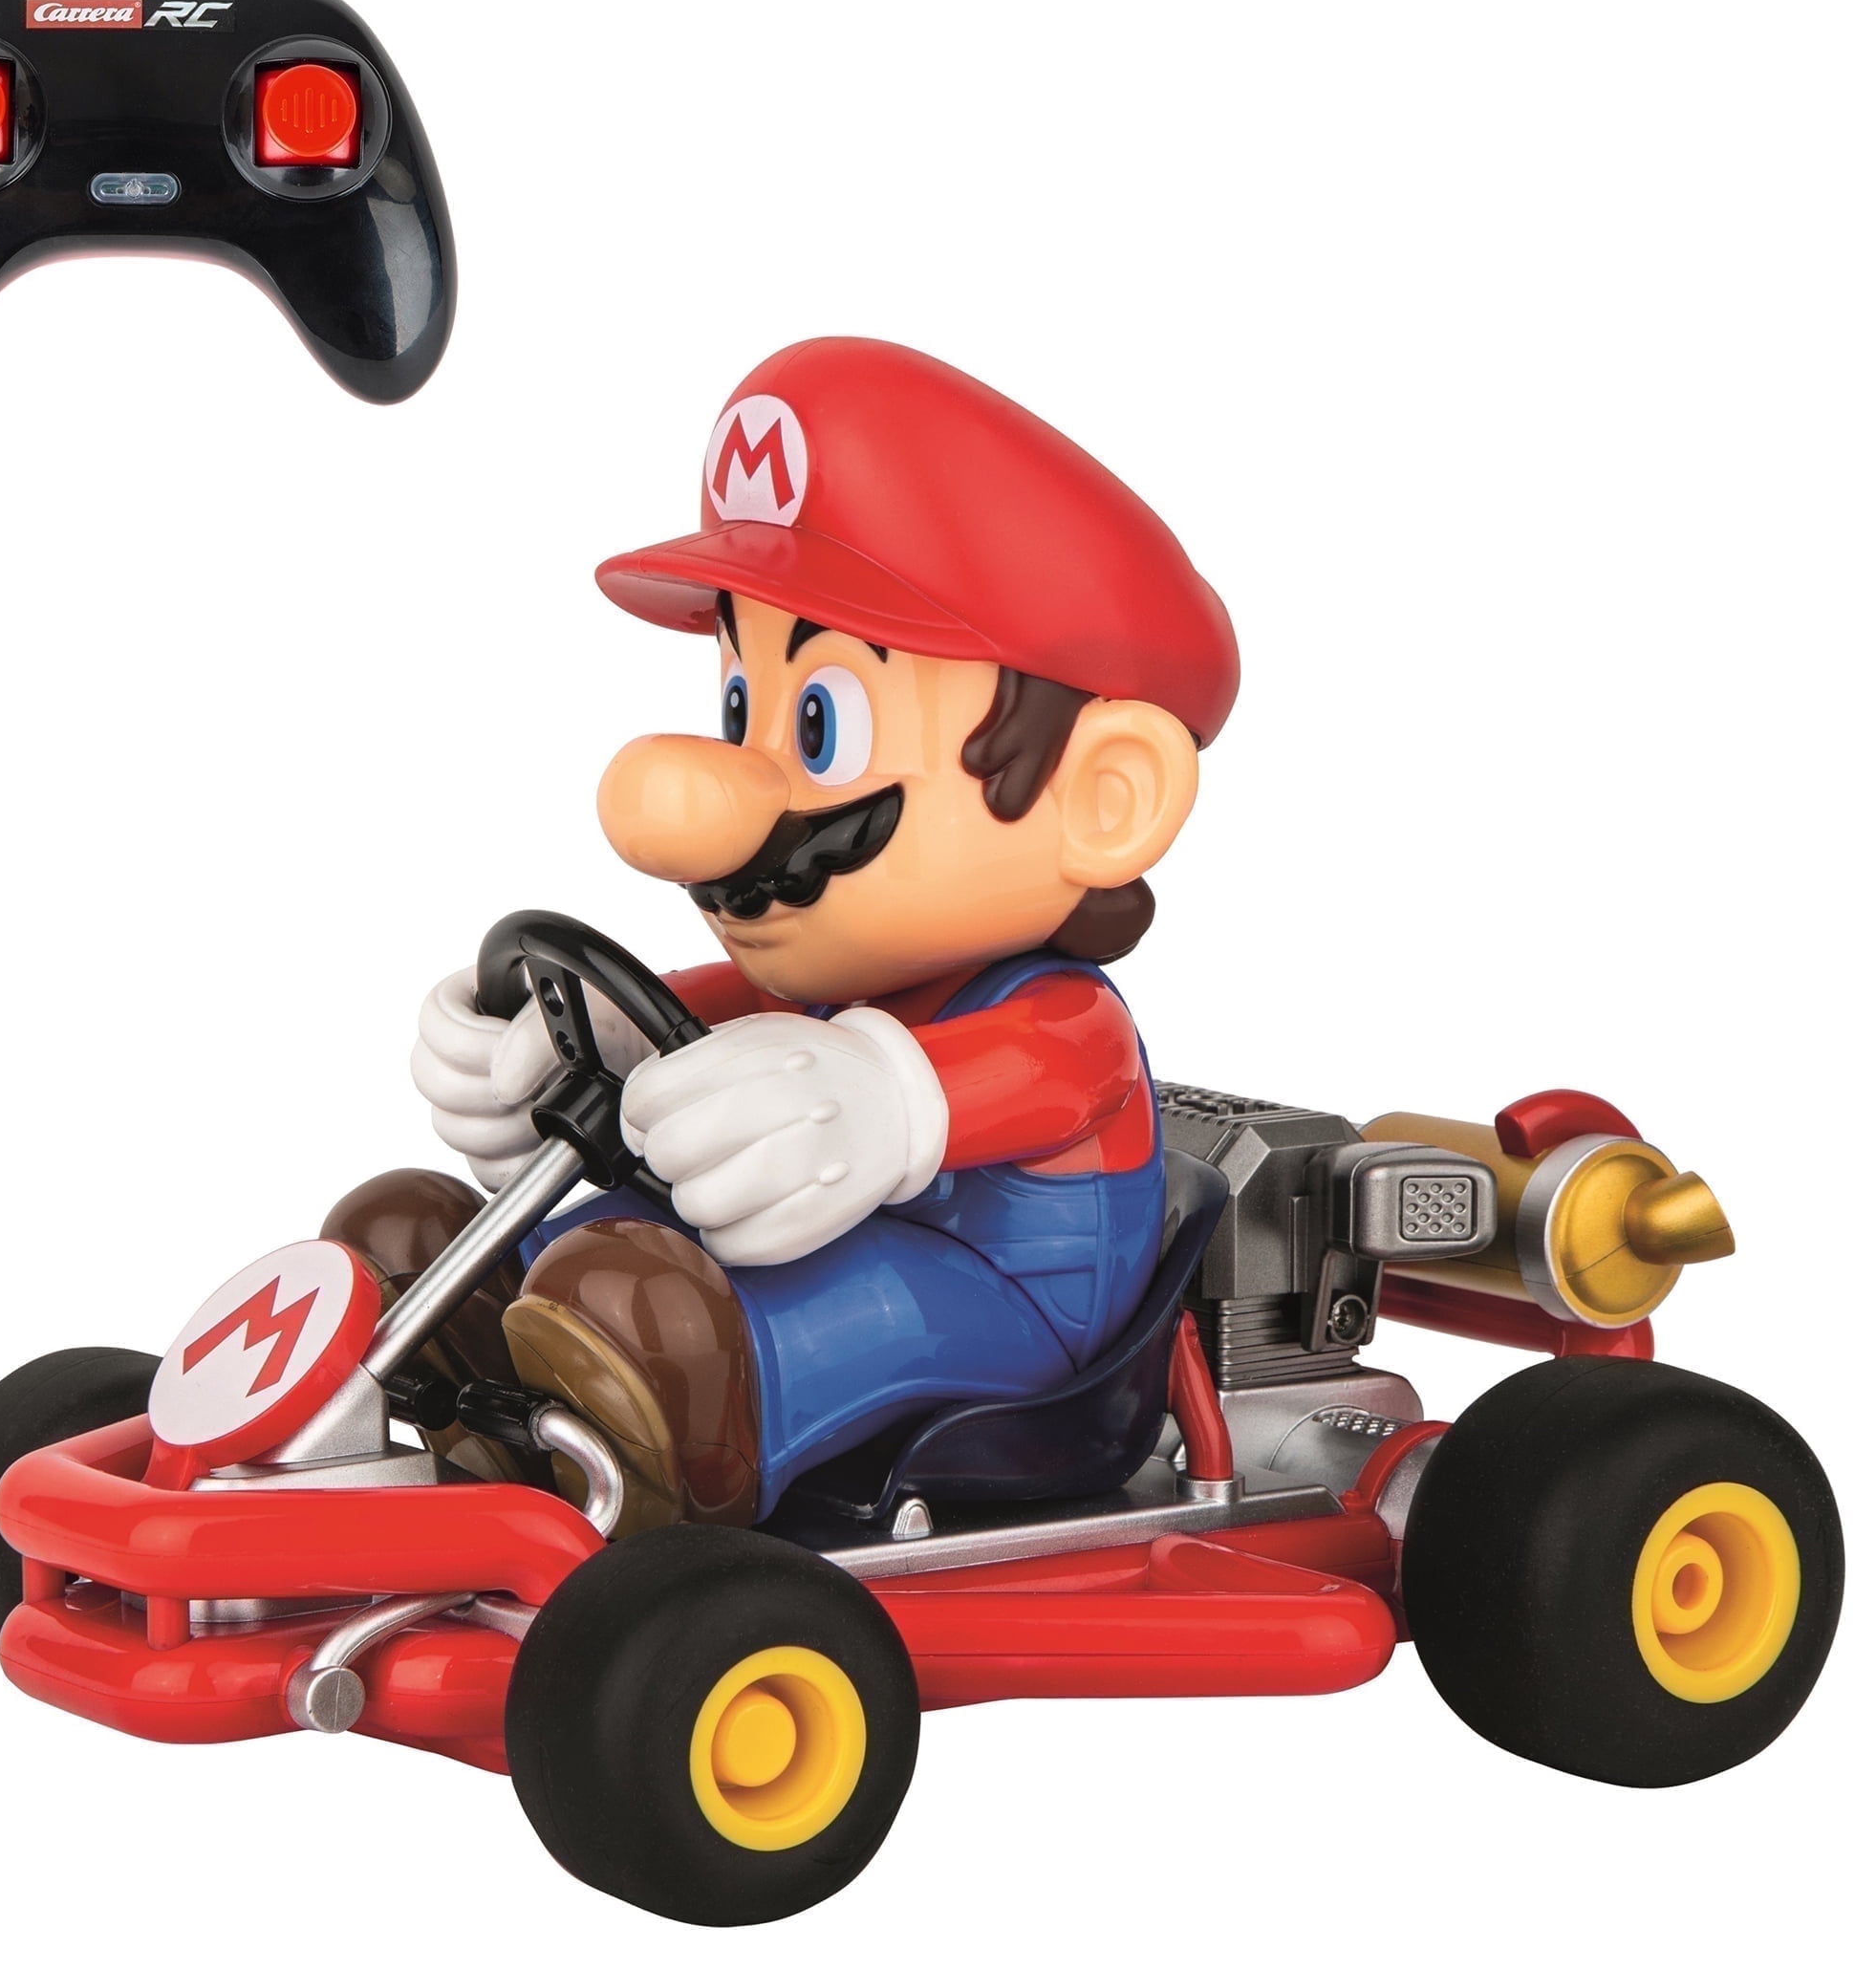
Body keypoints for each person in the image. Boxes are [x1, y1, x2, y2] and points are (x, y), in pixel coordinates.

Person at [329, 336, 1239, 1531]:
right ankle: (475, 1369)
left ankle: (675, 1468)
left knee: (652, 1305)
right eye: (739, 705)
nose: (713, 806)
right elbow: (682, 1025)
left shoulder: (1063, 1026)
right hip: (814, 1242)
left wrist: (880, 1098)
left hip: (1020, 1324)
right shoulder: (814, 996)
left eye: (820, 725)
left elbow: (938, 1093)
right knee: (460, 1240)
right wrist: (555, 1040)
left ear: (1106, 795)